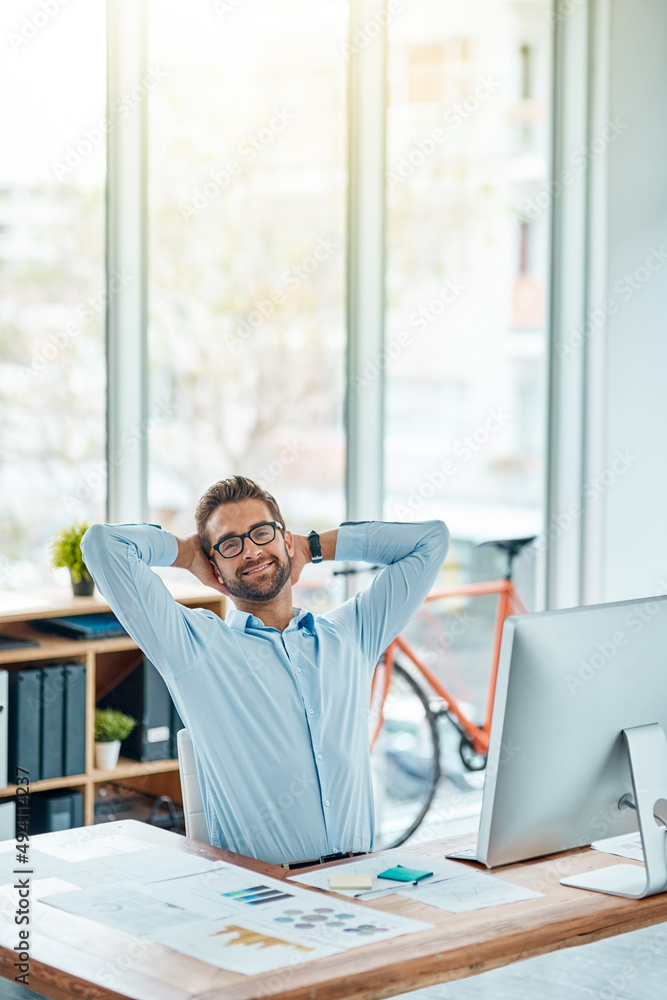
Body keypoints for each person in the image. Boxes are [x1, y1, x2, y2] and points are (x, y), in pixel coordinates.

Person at [82, 475, 449, 866]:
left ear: (284, 539)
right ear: (215, 568)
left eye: (261, 533)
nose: (252, 552)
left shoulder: (351, 634)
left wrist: (312, 547)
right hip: (265, 892)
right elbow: (103, 545)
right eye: (230, 544)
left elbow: (431, 542)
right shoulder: (196, 648)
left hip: (359, 876)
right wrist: (187, 554)